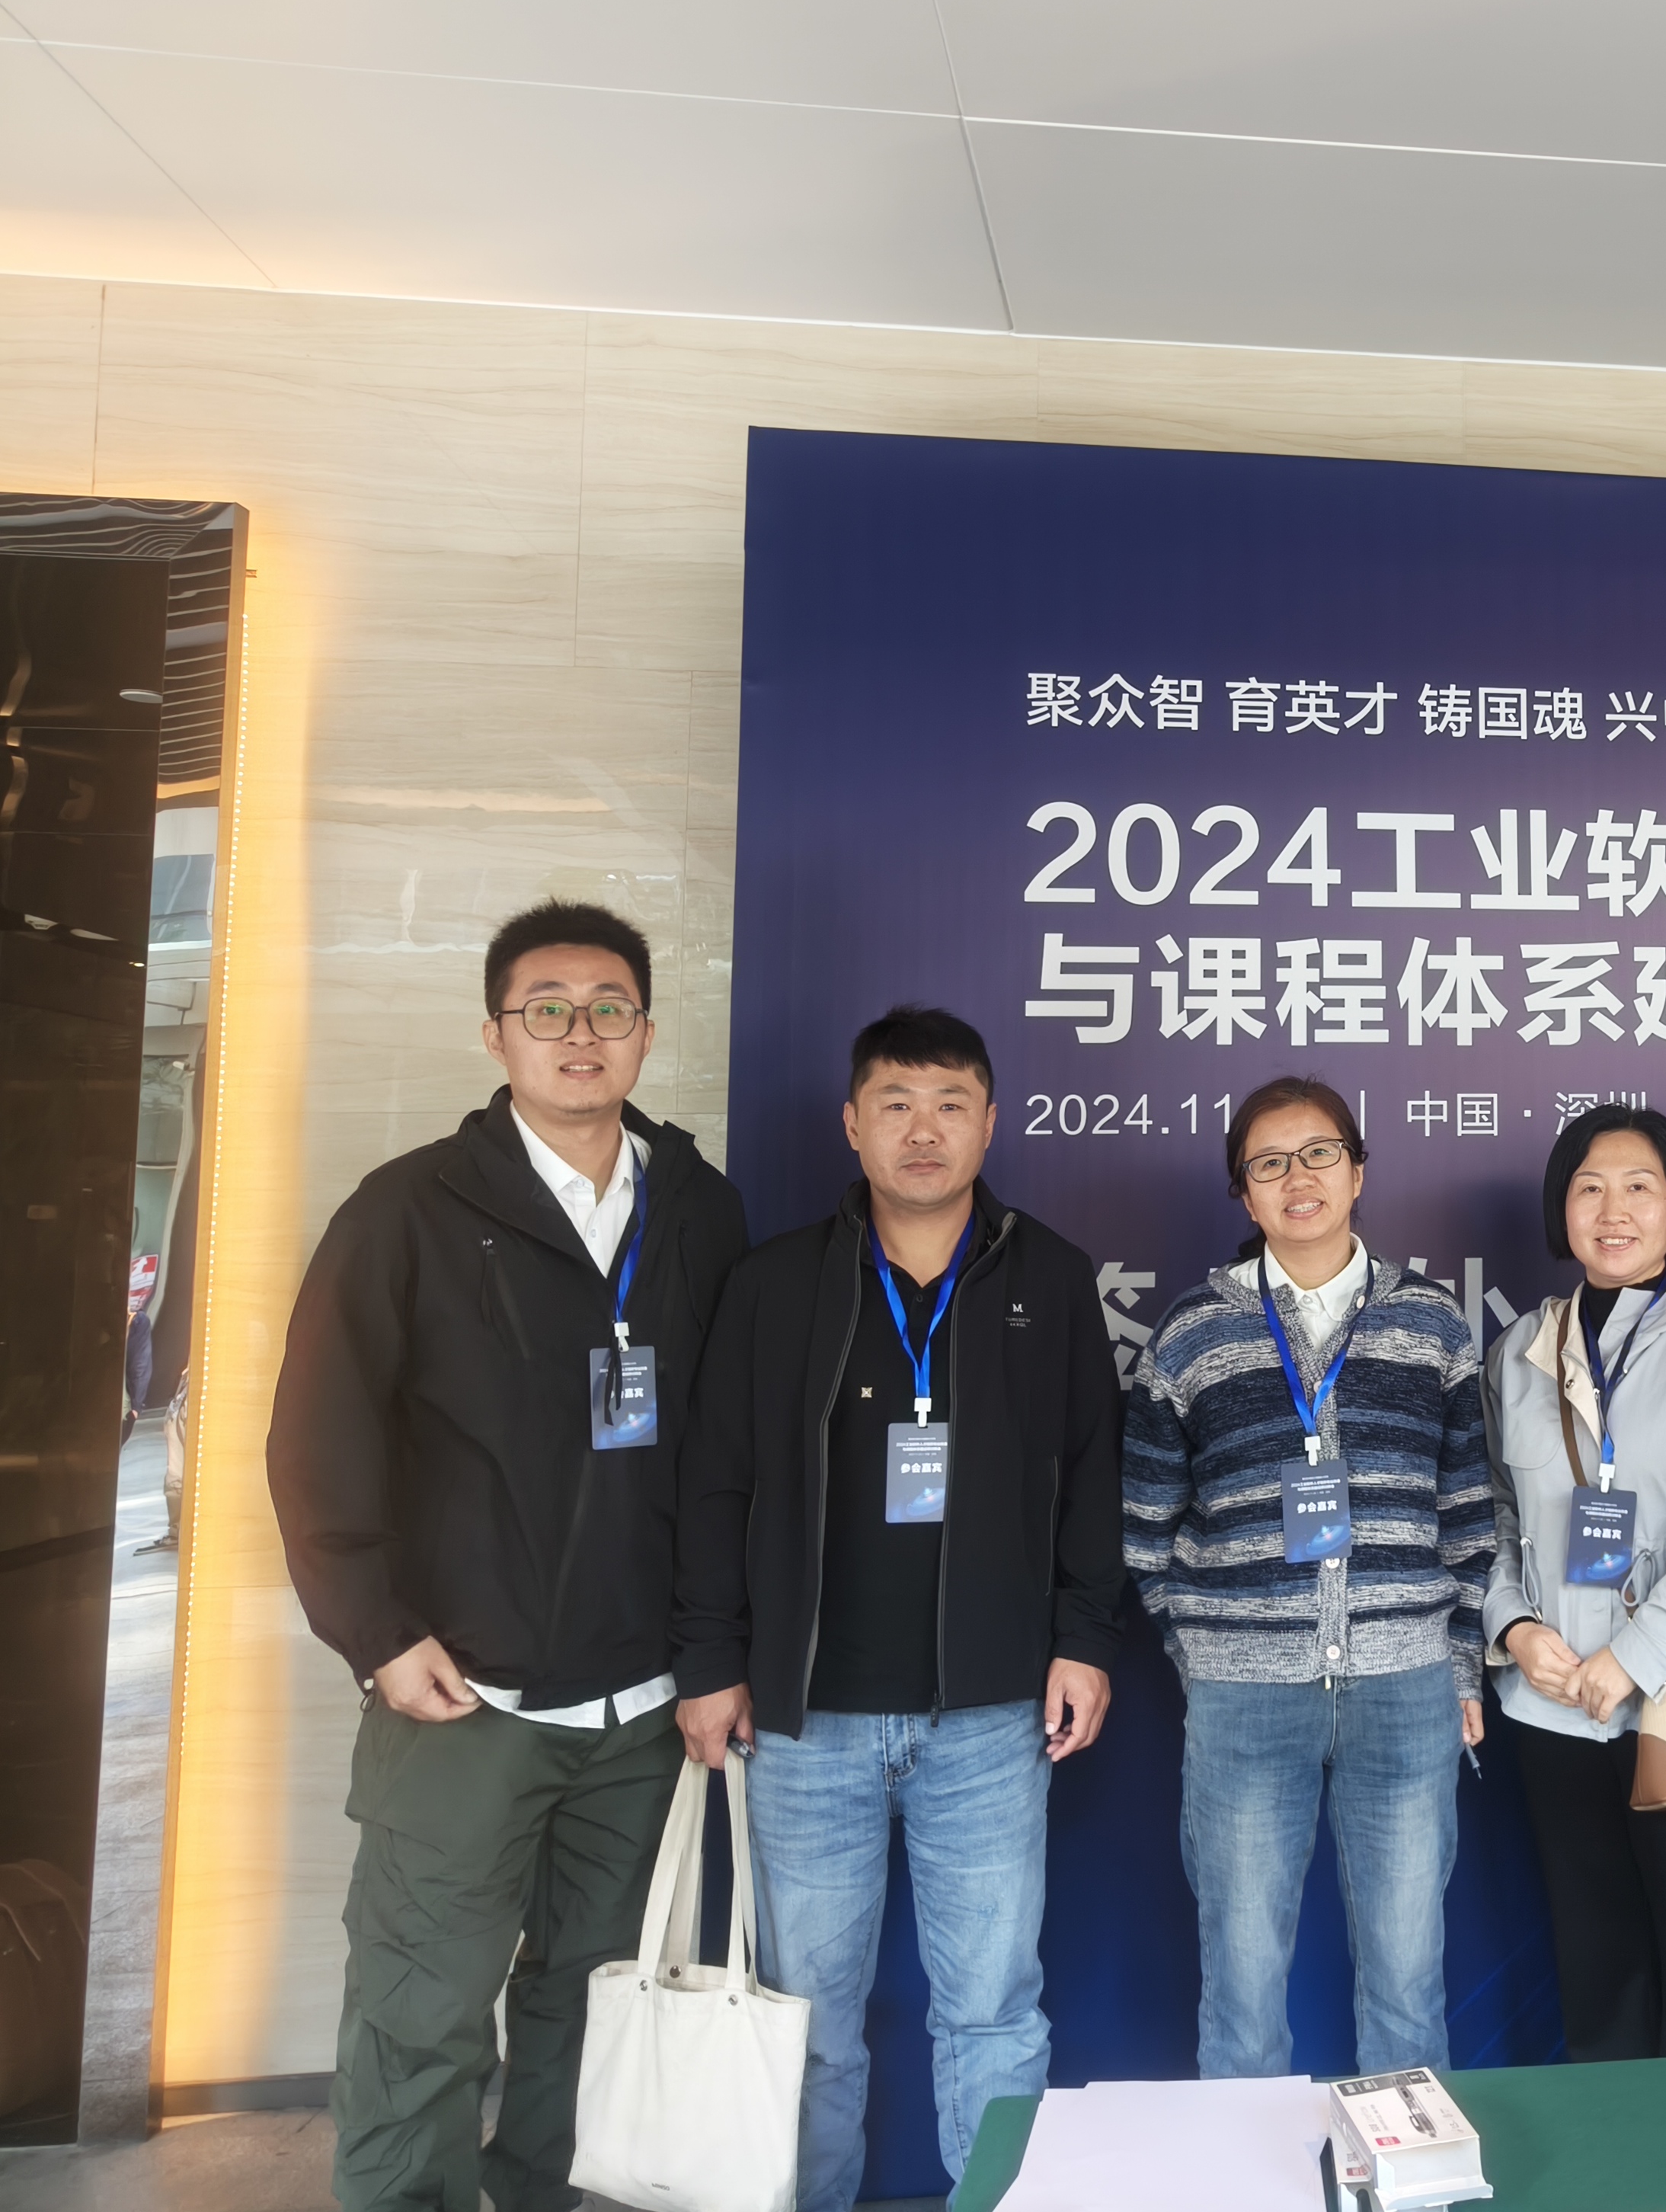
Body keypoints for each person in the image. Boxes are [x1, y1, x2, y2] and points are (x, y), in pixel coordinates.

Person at [265, 899, 750, 2212]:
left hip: (642, 1706)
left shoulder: (701, 1211)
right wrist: (376, 1633)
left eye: (608, 1007)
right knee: (420, 2010)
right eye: (548, 1009)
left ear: (645, 1032)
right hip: (462, 1696)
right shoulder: (410, 1208)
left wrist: (713, 1651)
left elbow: (728, 1454)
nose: (579, 1032)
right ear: (497, 1034)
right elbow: (316, 1439)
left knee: (593, 2007)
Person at [673, 1005, 1126, 2212]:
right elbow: (714, 1481)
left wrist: (1085, 1640)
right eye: (896, 1105)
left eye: (949, 1105)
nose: (924, 1132)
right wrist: (711, 1659)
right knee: (807, 2023)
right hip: (805, 1722)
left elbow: (1095, 1476)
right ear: (851, 1124)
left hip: (989, 1719)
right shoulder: (775, 1284)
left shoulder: (1049, 1277)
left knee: (993, 2012)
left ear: (990, 1122)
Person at [1121, 1076, 1493, 2079]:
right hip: (1245, 1699)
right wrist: (1206, 1652)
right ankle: (1247, 2163)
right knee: (1242, 1981)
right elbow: (1145, 1527)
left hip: (1405, 1687)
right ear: (1243, 1192)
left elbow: (1469, 1514)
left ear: (1358, 1169)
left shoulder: (1430, 1322)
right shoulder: (1192, 1332)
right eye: (1270, 1163)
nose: (1299, 1179)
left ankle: (1404, 2160)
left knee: (1408, 1979)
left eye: (1320, 1154)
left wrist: (1461, 1663)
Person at [1482, 1103, 1666, 2062]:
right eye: (1589, 1188)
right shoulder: (1521, 1349)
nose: (1613, 1211)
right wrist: (1514, 1629)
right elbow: (1490, 1512)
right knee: (1595, 1964)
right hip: (1554, 1702)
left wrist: (1635, 1658)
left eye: (1638, 1188)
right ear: (1560, 1209)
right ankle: (1611, 2147)